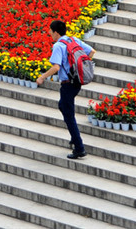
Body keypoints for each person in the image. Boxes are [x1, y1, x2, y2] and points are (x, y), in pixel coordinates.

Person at [36, 20, 96, 160]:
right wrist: (79, 69)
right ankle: (74, 138)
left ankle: (79, 147)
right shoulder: (72, 39)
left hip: (68, 84)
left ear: (56, 33)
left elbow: (56, 67)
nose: (49, 33)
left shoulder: (58, 46)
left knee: (69, 115)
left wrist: (42, 77)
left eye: (50, 31)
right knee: (63, 106)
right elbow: (91, 52)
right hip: (76, 82)